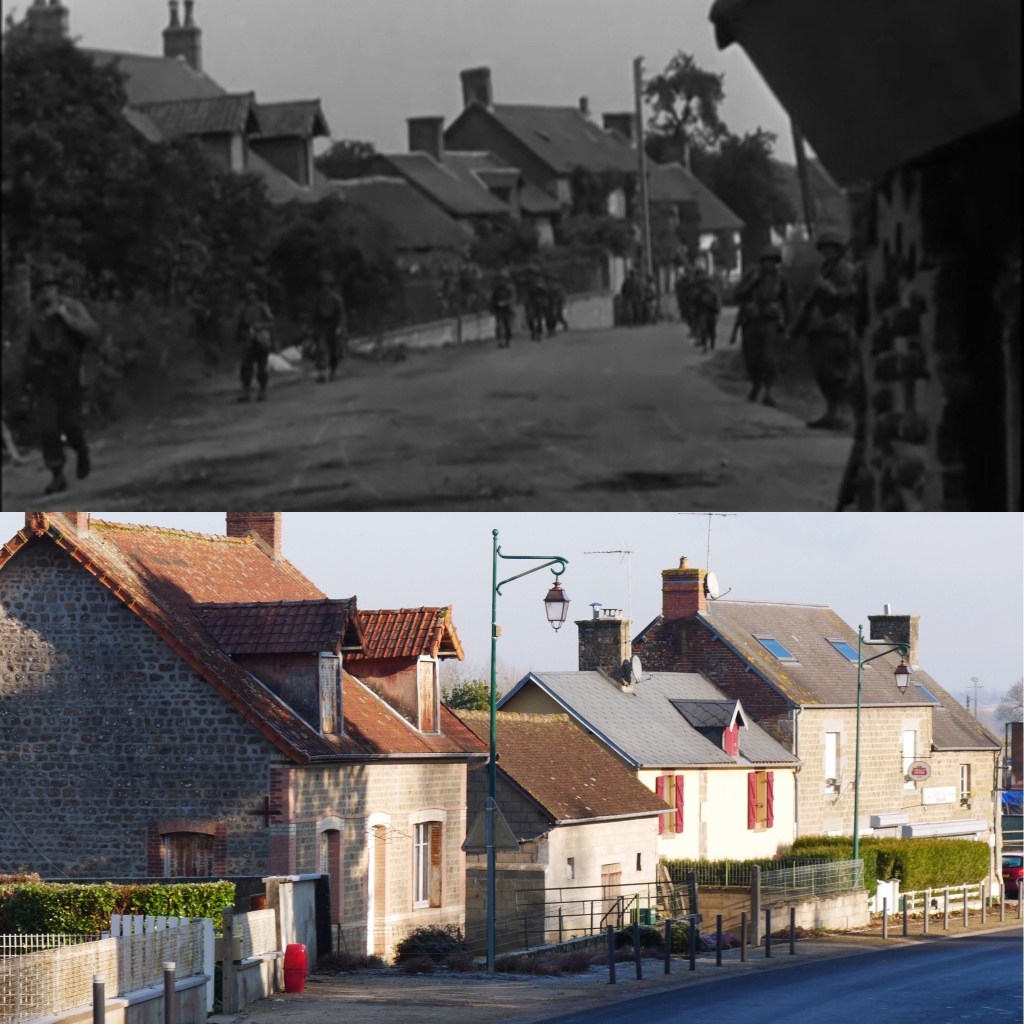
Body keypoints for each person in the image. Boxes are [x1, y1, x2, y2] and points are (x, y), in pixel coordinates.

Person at [23, 267, 101, 494]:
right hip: (47, 378)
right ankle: (57, 474)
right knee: (47, 427)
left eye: (49, 289)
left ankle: (81, 449)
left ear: (57, 290)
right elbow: (28, 350)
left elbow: (93, 332)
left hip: (72, 375)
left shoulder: (72, 307)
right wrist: (29, 373)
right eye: (41, 290)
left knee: (71, 425)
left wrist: (67, 318)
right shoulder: (35, 318)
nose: (46, 295)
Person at [790, 228, 857, 429]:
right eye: (825, 249)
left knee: (836, 374)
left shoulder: (844, 269)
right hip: (820, 327)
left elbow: (852, 294)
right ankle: (831, 411)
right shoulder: (825, 269)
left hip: (837, 326)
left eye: (832, 249)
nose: (828, 253)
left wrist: (832, 290)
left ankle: (842, 414)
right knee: (823, 372)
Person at [733, 245, 792, 406]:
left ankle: (768, 391)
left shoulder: (781, 279)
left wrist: (788, 324)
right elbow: (738, 295)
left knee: (769, 358)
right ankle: (756, 383)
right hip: (752, 322)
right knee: (752, 358)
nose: (769, 265)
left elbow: (787, 302)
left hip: (770, 322)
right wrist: (752, 283)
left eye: (772, 261)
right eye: (766, 261)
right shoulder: (752, 276)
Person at [235, 281, 275, 402]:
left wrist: (260, 326)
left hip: (261, 339)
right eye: (247, 294)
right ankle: (246, 390)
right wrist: (239, 336)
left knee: (262, 367)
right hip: (248, 340)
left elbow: (271, 322)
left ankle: (262, 390)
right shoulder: (244, 309)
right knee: (246, 366)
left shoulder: (262, 306)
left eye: (251, 293)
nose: (249, 296)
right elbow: (240, 325)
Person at [310, 270, 347, 382]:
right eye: (322, 286)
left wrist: (339, 327)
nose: (325, 288)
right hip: (322, 327)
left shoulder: (336, 299)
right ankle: (322, 372)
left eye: (327, 286)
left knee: (334, 351)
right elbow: (314, 315)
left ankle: (333, 370)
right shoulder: (318, 300)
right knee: (321, 349)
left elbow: (341, 314)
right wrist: (312, 328)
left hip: (334, 326)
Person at [689, 264, 721, 352]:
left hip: (705, 309)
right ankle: (710, 344)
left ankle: (707, 345)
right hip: (709, 309)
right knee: (709, 327)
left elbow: (694, 297)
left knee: (706, 327)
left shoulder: (698, 283)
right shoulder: (710, 282)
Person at [489, 270, 515, 348]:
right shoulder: (496, 289)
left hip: (507, 309)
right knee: (499, 325)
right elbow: (492, 299)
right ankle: (500, 341)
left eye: (503, 279)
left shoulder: (509, 288)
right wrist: (494, 306)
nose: (502, 281)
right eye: (500, 279)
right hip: (498, 309)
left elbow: (512, 298)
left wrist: (506, 303)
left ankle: (507, 340)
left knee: (507, 325)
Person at [525, 268, 549, 341]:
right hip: (531, 301)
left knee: (538, 318)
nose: (531, 275)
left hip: (538, 300)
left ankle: (538, 332)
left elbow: (544, 290)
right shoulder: (528, 282)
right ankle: (534, 332)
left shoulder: (539, 280)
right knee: (530, 318)